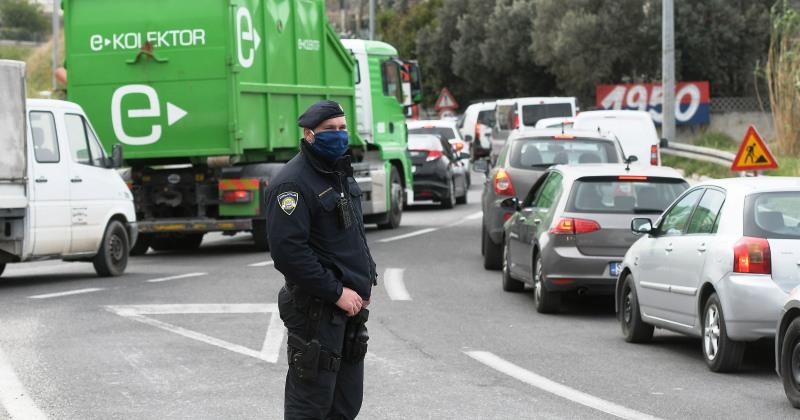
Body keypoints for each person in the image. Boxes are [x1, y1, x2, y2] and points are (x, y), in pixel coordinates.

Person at [266, 100, 377, 420]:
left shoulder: (337, 173)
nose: (339, 135)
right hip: (315, 310)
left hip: (349, 310)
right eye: (330, 130)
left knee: (345, 404)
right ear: (309, 134)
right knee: (311, 405)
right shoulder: (293, 183)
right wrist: (337, 292)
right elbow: (289, 254)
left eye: (343, 128)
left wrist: (366, 279)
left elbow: (352, 235)